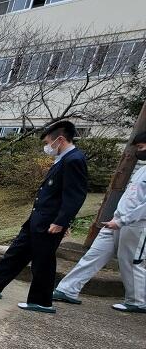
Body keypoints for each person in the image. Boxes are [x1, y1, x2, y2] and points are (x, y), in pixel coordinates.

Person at [0, 120, 88, 313]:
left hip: (49, 222)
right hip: (38, 218)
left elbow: (75, 195)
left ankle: (41, 301)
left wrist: (61, 221)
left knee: (43, 261)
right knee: (17, 252)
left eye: (48, 142)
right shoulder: (63, 159)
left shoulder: (74, 160)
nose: (47, 147)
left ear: (60, 140)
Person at [53, 131, 146, 313]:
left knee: (130, 262)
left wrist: (124, 220)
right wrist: (117, 218)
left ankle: (138, 301)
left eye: (141, 147)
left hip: (136, 225)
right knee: (93, 255)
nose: (139, 151)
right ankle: (67, 290)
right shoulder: (142, 170)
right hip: (117, 220)